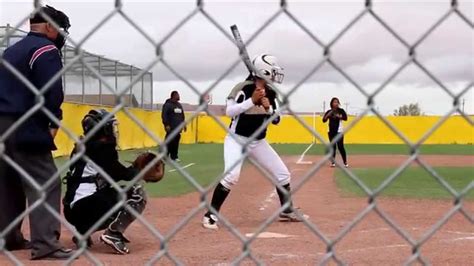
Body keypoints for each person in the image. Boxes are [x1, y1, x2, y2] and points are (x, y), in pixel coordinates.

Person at [202, 54, 308, 230]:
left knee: (283, 174)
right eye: (272, 71)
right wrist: (252, 101)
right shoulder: (242, 88)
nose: (275, 75)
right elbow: (229, 112)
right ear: (264, 71)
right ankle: (210, 215)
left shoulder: (271, 92)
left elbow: (277, 120)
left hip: (258, 141)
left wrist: (267, 108)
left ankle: (287, 210)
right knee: (232, 176)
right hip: (236, 139)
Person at [0, 5, 73, 260]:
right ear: (50, 27)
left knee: (8, 182)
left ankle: (8, 237)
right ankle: (46, 244)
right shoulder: (46, 49)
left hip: (1, 122)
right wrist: (53, 121)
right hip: (25, 121)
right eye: (61, 29)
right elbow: (51, 91)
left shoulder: (11, 50)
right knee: (45, 182)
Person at [62, 109, 162, 255]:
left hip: (74, 210)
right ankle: (113, 234)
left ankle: (82, 233)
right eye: (110, 126)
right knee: (136, 193)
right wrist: (141, 171)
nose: (113, 130)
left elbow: (111, 176)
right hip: (83, 207)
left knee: (108, 190)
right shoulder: (100, 148)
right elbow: (123, 174)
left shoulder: (85, 145)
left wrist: (135, 169)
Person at [322, 97, 348, 167]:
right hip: (331, 132)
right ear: (331, 104)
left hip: (339, 131)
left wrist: (339, 116)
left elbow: (346, 118)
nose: (336, 103)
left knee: (340, 147)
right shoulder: (329, 111)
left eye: (337, 102)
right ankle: (333, 162)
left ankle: (345, 162)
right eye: (334, 102)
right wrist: (328, 115)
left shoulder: (341, 110)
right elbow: (323, 120)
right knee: (333, 147)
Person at [161, 91, 186, 162]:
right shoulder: (167, 105)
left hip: (178, 128)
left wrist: (183, 124)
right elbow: (164, 115)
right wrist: (166, 125)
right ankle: (164, 156)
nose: (179, 96)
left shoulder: (179, 105)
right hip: (170, 128)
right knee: (169, 142)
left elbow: (182, 116)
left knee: (175, 142)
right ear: (173, 96)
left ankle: (174, 157)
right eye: (177, 95)